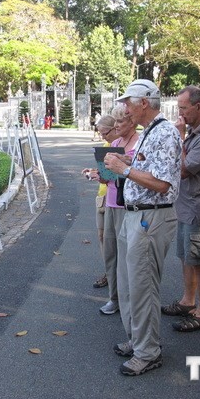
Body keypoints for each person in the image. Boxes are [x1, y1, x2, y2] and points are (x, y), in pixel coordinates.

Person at [104, 79, 181, 376]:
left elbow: (163, 184)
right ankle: (138, 340)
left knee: (143, 287)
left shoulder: (164, 132)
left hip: (151, 217)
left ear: (144, 103)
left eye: (128, 102)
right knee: (128, 284)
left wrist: (124, 168)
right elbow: (150, 168)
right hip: (136, 215)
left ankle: (148, 352)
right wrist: (127, 160)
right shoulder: (152, 132)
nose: (124, 108)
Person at [161, 86, 200, 332]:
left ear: (198, 107)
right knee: (187, 257)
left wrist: (179, 138)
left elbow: (184, 169)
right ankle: (188, 301)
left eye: (183, 108)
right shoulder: (196, 131)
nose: (180, 112)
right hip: (186, 205)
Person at [98, 105, 139, 315]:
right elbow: (107, 176)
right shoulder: (114, 143)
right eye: (114, 122)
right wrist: (99, 174)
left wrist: (121, 167)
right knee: (110, 253)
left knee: (126, 257)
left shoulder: (139, 143)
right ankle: (113, 298)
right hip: (112, 202)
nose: (116, 126)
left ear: (131, 122)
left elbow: (139, 175)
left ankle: (128, 301)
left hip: (129, 205)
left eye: (120, 122)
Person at [82, 115, 118, 291]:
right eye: (101, 133)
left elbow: (114, 176)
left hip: (115, 199)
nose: (103, 136)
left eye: (105, 133)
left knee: (114, 241)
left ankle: (115, 275)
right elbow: (105, 174)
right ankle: (109, 272)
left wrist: (100, 176)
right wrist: (94, 171)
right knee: (103, 237)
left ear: (115, 128)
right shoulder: (106, 146)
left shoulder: (120, 145)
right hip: (102, 196)